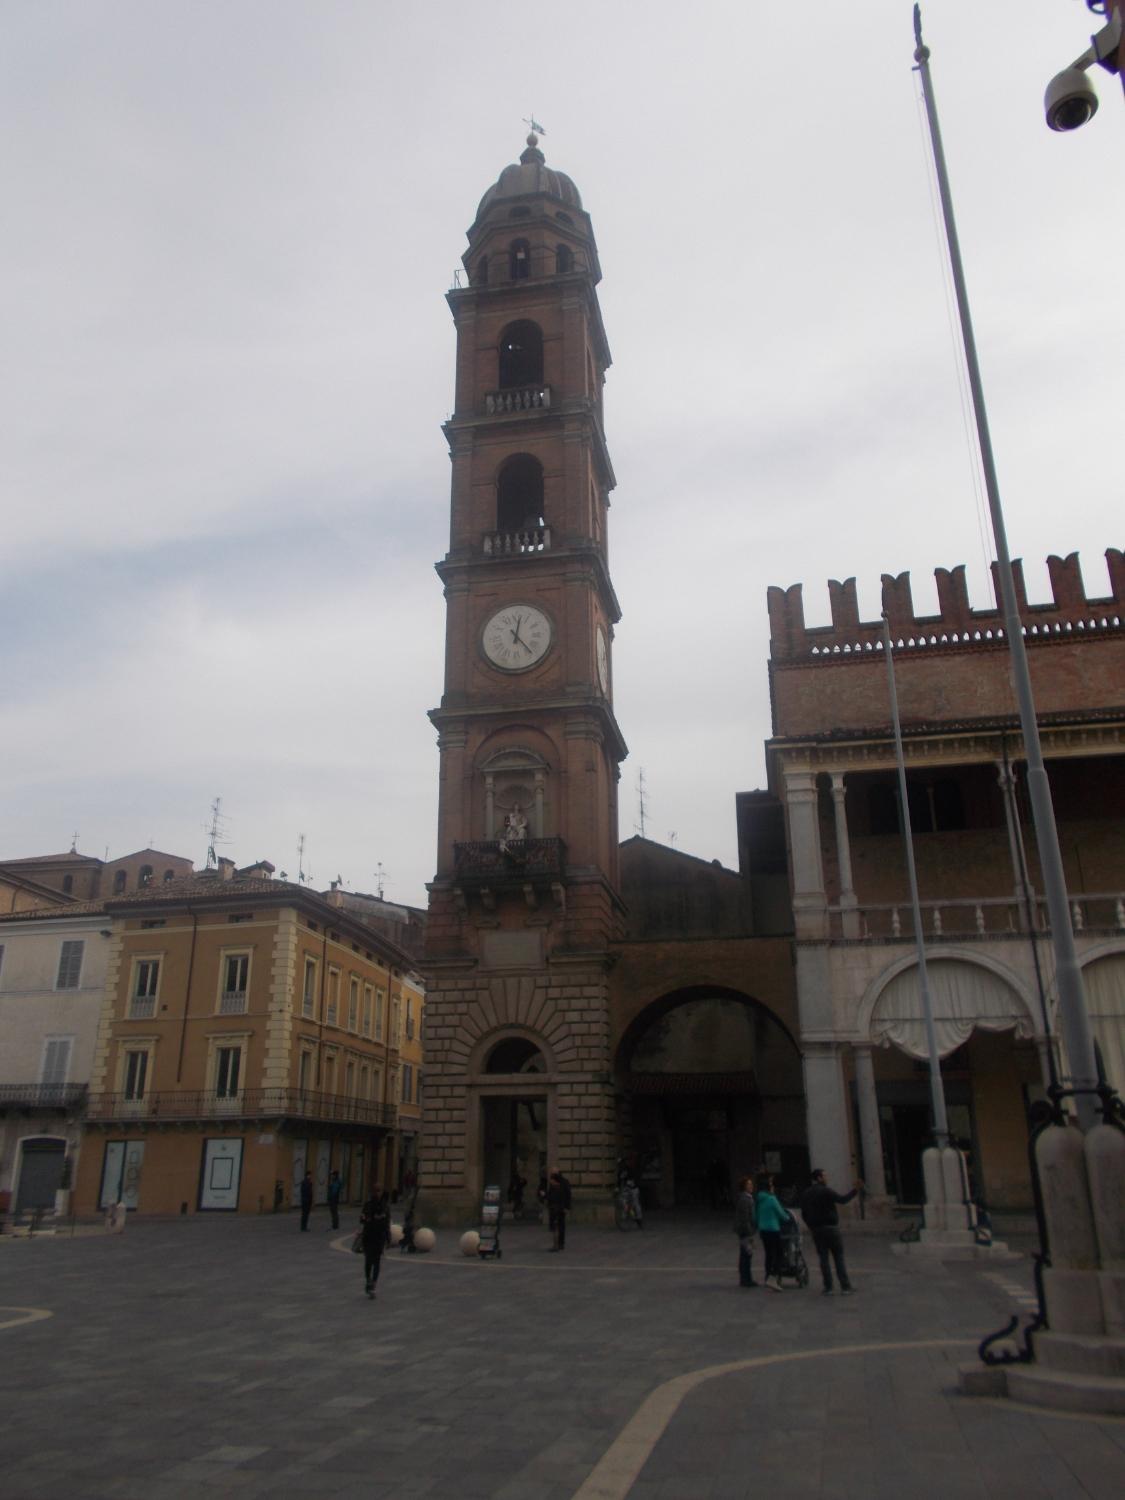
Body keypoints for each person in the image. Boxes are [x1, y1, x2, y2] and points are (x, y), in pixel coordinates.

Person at [799, 1168, 861, 1296]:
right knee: (838, 1257)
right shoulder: (826, 1191)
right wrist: (855, 1190)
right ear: (819, 1178)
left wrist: (811, 1226)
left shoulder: (806, 1193)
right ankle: (845, 1286)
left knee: (823, 1259)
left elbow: (804, 1213)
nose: (826, 1178)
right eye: (824, 1176)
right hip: (831, 1228)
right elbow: (842, 1200)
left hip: (817, 1230)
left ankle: (828, 1287)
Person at [755, 1172, 791, 1291]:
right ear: (769, 1188)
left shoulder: (759, 1199)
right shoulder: (771, 1199)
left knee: (769, 1254)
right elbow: (781, 1214)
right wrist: (787, 1217)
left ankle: (767, 1276)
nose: (773, 1188)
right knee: (779, 1254)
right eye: (772, 1186)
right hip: (773, 1229)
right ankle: (773, 1277)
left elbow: (756, 1215)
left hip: (763, 1230)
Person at [360, 1185, 391, 1298]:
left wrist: (388, 1238)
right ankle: (369, 1280)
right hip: (369, 1236)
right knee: (368, 1260)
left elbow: (387, 1223)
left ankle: (373, 1284)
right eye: (376, 1191)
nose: (377, 1193)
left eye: (379, 1191)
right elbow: (362, 1219)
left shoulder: (385, 1207)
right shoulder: (368, 1205)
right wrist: (367, 1219)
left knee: (376, 1261)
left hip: (378, 1237)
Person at [734, 1175, 758, 1288]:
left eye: (751, 1184)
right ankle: (745, 1279)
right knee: (746, 1255)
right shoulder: (745, 1199)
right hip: (745, 1231)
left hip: (746, 1230)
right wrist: (750, 1233)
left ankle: (746, 1278)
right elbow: (745, 1218)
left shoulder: (748, 1198)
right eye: (748, 1184)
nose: (751, 1186)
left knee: (746, 1254)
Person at [546, 1166, 571, 1251]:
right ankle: (558, 1244)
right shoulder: (553, 1185)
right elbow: (550, 1195)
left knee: (559, 1226)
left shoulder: (564, 1183)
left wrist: (567, 1207)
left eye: (553, 1173)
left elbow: (568, 1195)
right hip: (556, 1208)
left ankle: (559, 1244)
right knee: (557, 1227)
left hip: (559, 1208)